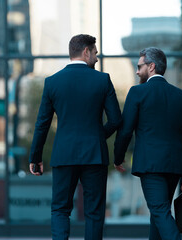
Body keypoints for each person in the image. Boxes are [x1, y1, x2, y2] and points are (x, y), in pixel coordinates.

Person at [29, 34, 122, 240]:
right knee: (94, 213)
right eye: (95, 53)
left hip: (64, 154)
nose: (97, 58)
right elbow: (116, 120)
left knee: (60, 209)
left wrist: (35, 157)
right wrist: (98, 137)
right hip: (95, 155)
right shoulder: (103, 80)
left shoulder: (52, 82)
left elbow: (42, 124)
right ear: (86, 52)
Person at [114, 47, 182, 240]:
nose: (136, 71)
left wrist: (118, 158)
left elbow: (126, 131)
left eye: (139, 66)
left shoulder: (137, 92)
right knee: (159, 213)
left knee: (160, 212)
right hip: (174, 166)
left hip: (151, 165)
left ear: (151, 67)